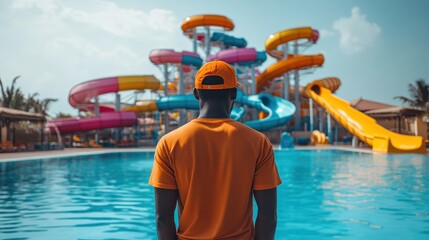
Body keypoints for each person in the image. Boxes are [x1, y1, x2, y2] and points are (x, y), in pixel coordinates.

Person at [149, 60, 282, 240]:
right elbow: (269, 216)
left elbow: (162, 219)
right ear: (234, 93)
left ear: (196, 94)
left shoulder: (169, 143)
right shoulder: (258, 142)